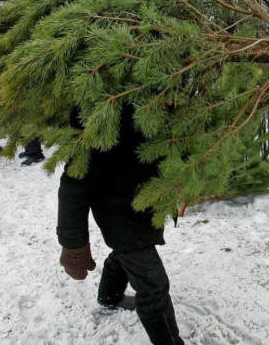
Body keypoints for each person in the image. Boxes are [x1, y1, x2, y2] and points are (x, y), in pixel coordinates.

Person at [57, 104, 185, 345]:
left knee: (126, 252)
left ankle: (109, 296)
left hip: (144, 201)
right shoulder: (101, 112)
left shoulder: (154, 96)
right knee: (153, 285)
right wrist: (73, 243)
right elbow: (74, 184)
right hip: (116, 209)